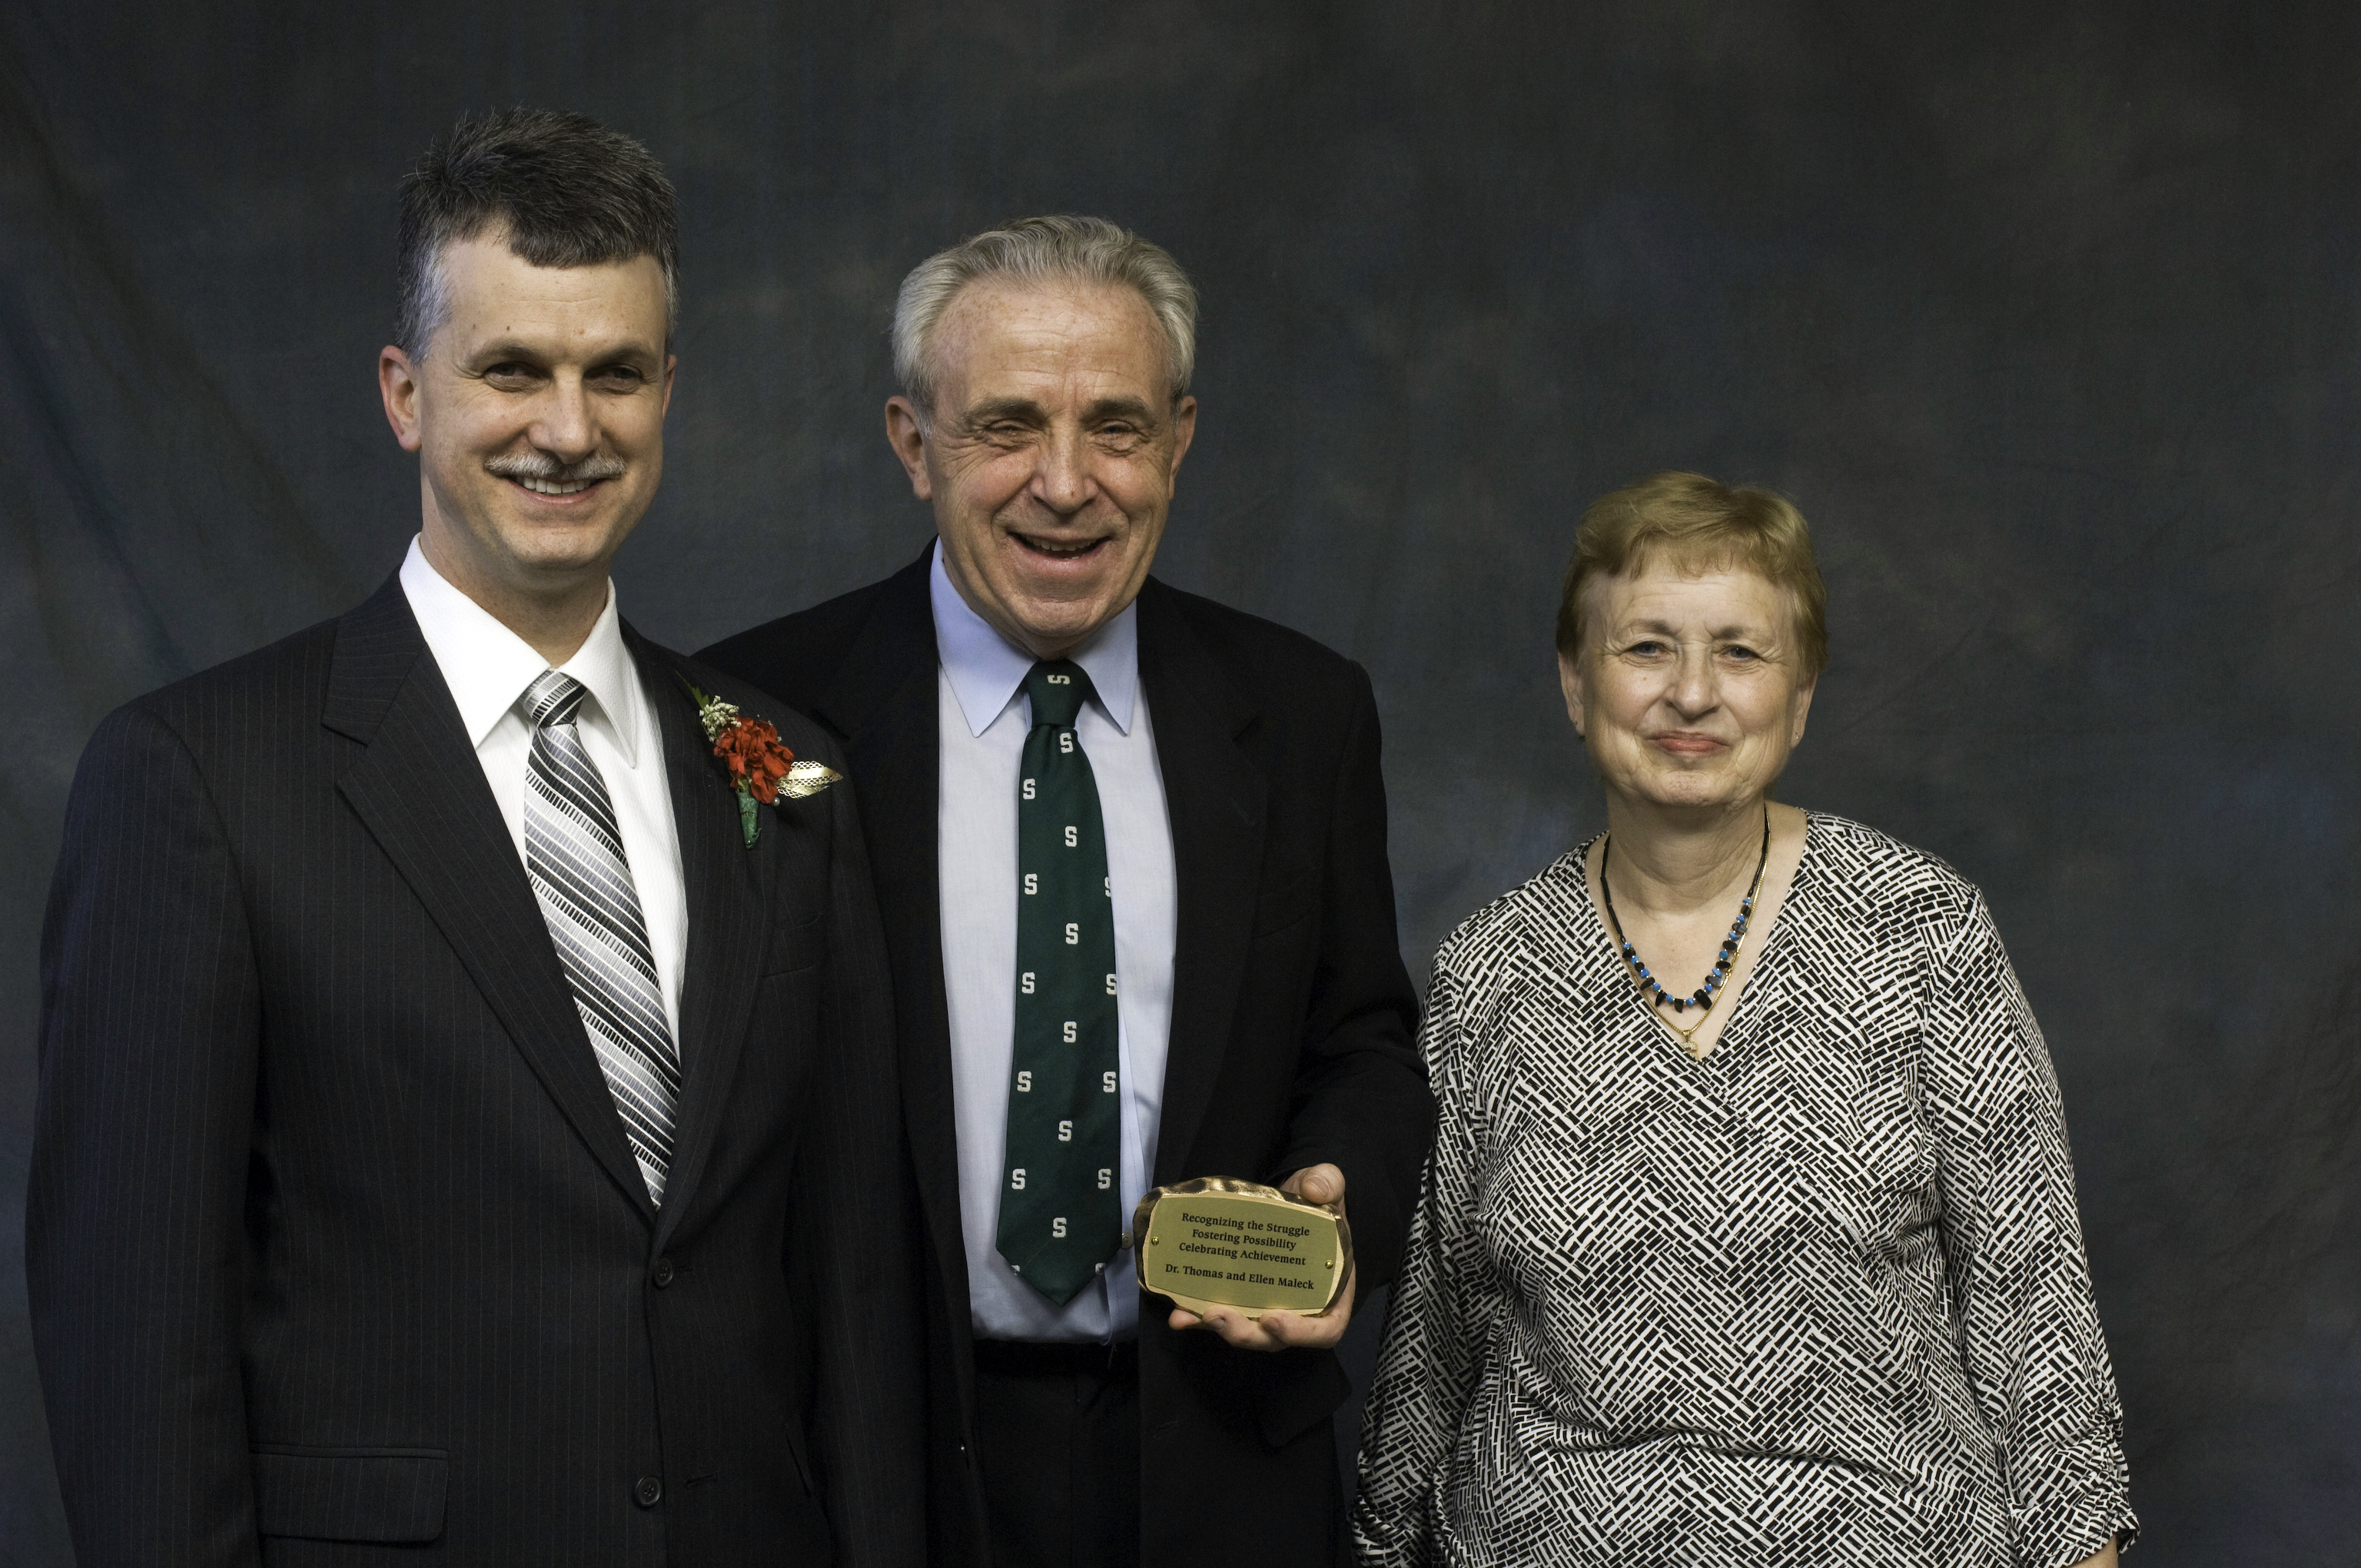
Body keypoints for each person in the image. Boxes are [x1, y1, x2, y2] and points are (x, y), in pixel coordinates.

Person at [27, 108, 924, 1567]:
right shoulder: (198, 780)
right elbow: (131, 1340)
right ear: (405, 394)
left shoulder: (782, 771)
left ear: (668, 393)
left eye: (614, 374)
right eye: (511, 369)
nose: (568, 431)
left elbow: (854, 1294)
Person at [699, 215, 1434, 1567]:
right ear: (913, 444)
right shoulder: (755, 717)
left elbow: (1364, 1043)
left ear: (1181, 441)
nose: (1065, 482)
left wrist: (1341, 1196)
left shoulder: (1303, 711)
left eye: (1116, 427)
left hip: (1217, 1452)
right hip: (878, 1460)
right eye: (1006, 427)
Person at [1351, 473, 2136, 1567]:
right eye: (1646, 648)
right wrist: (1384, 1545)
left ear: (1800, 696)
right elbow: (1431, 1346)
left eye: (1740, 653)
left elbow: (2037, 1319)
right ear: (1575, 684)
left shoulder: (1922, 930)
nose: (1692, 694)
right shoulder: (1491, 968)